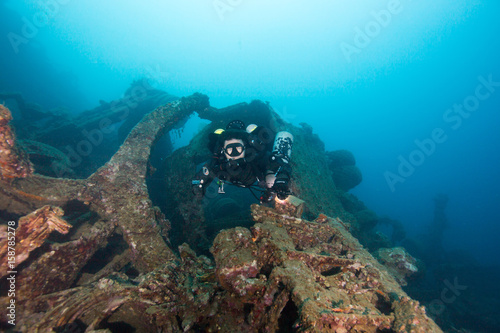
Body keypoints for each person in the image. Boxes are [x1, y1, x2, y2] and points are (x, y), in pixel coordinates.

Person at [192, 120, 293, 203]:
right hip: (240, 179)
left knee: (271, 181)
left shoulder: (255, 158)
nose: (235, 153)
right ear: (223, 151)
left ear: (245, 148)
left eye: (238, 148)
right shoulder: (218, 164)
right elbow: (199, 177)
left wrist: (281, 180)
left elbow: (278, 163)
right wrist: (198, 188)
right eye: (230, 149)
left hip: (255, 178)